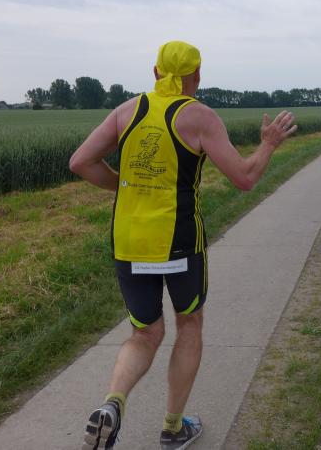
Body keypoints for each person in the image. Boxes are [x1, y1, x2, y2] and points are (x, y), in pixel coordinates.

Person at [69, 40, 297, 449]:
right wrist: (268, 144)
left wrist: (125, 187)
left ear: (156, 72)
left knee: (144, 333)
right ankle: (173, 429)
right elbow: (244, 178)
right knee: (188, 325)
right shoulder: (200, 117)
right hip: (178, 243)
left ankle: (112, 404)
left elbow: (80, 162)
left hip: (129, 241)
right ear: (197, 76)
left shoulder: (127, 111)